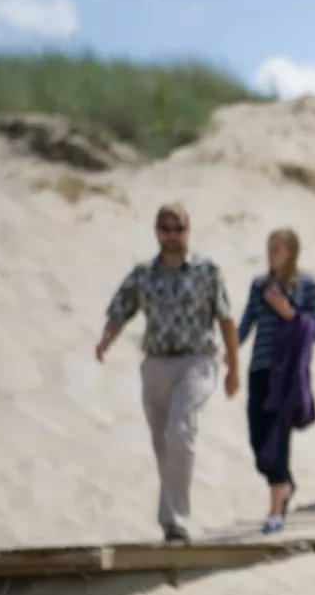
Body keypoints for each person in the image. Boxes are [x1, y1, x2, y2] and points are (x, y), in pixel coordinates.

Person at [96, 202, 239, 544]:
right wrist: (106, 340)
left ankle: (177, 520)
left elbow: (225, 317)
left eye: (179, 229)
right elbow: (121, 310)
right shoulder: (143, 273)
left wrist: (234, 365)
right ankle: (170, 521)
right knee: (163, 443)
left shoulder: (207, 270)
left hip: (197, 361)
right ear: (157, 231)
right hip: (156, 363)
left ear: (189, 231)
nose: (172, 235)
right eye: (166, 229)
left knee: (180, 430)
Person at [236, 228, 315, 533]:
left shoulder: (308, 285)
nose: (271, 254)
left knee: (278, 438)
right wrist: (230, 349)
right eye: (269, 248)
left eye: (277, 249)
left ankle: (275, 511)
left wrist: (287, 311)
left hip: (287, 372)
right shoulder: (259, 284)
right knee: (257, 440)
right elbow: (247, 321)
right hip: (259, 369)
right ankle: (285, 483)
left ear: (291, 252)